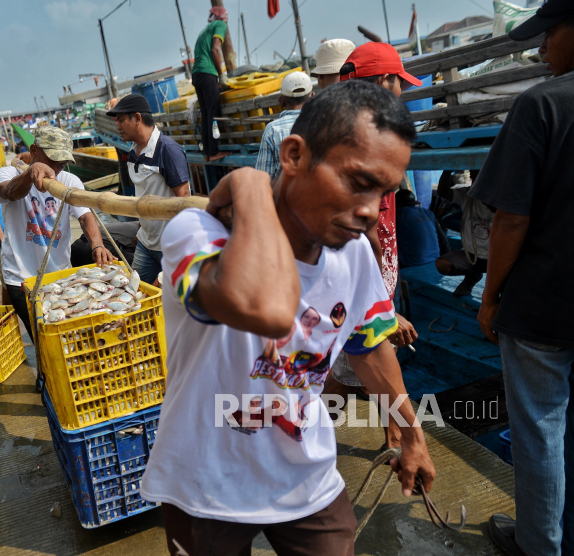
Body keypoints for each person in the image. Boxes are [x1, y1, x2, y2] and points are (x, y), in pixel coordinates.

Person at [142, 81, 435, 556]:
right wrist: (251, 184)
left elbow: (369, 348)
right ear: (294, 156)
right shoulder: (196, 233)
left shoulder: (355, 254)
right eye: (358, 182)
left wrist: (412, 435)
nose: (369, 212)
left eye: (382, 192)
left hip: (306, 476)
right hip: (204, 485)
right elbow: (264, 309)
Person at [468, 3, 574, 554]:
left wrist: (490, 296)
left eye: (550, 33)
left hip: (543, 308)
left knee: (538, 436)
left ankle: (539, 545)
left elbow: (510, 217)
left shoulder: (542, 104)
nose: (541, 49)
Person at [325, 43, 422, 437]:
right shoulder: (367, 143)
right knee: (361, 368)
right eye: (399, 84)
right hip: (362, 285)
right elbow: (359, 231)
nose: (402, 93)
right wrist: (381, 306)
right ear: (384, 81)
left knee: (354, 370)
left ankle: (394, 440)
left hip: (368, 284)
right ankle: (302, 445)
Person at [0, 127, 116, 346]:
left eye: (61, 163)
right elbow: (8, 192)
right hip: (21, 278)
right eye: (52, 161)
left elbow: (85, 216)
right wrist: (31, 174)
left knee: (68, 338)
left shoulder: (69, 181)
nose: (56, 169)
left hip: (59, 276)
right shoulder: (7, 174)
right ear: (34, 151)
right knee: (43, 341)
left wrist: (97, 245)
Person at [107, 94, 191, 285]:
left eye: (121, 120)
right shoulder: (132, 152)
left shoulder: (167, 149)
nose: (117, 126)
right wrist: (140, 230)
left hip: (170, 246)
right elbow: (142, 195)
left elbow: (184, 199)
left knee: (168, 299)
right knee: (135, 294)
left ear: (137, 118)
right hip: (146, 242)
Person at [255, 71, 313, 180]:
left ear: (281, 100)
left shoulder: (272, 129)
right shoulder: (323, 122)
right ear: (312, 96)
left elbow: (264, 178)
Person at [191, 6, 230, 162]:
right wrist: (222, 74)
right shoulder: (220, 25)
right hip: (208, 74)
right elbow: (215, 49)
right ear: (221, 17)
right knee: (213, 113)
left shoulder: (204, 31)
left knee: (206, 114)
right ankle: (213, 152)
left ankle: (208, 152)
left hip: (197, 74)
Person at [396, 189, 449, 268]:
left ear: (397, 203)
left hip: (412, 262)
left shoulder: (398, 214)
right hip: (434, 259)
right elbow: (443, 240)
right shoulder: (428, 213)